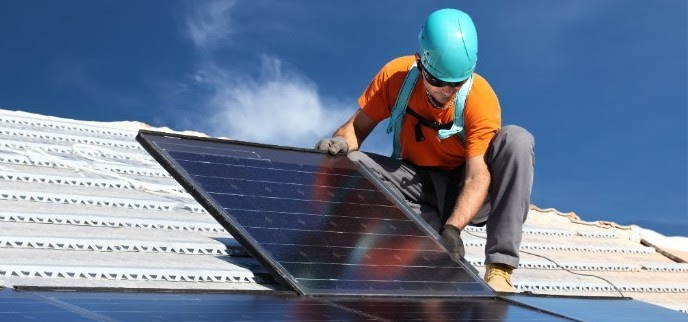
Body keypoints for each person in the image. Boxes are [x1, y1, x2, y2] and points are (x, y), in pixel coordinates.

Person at [315, 8, 534, 293]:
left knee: (517, 140)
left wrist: (453, 229)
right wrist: (341, 145)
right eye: (437, 82)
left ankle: (500, 267)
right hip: (417, 186)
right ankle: (365, 244)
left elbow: (477, 176)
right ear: (421, 63)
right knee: (351, 163)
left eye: (456, 84)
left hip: (467, 191)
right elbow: (355, 129)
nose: (447, 93)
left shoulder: (481, 99)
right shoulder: (395, 77)